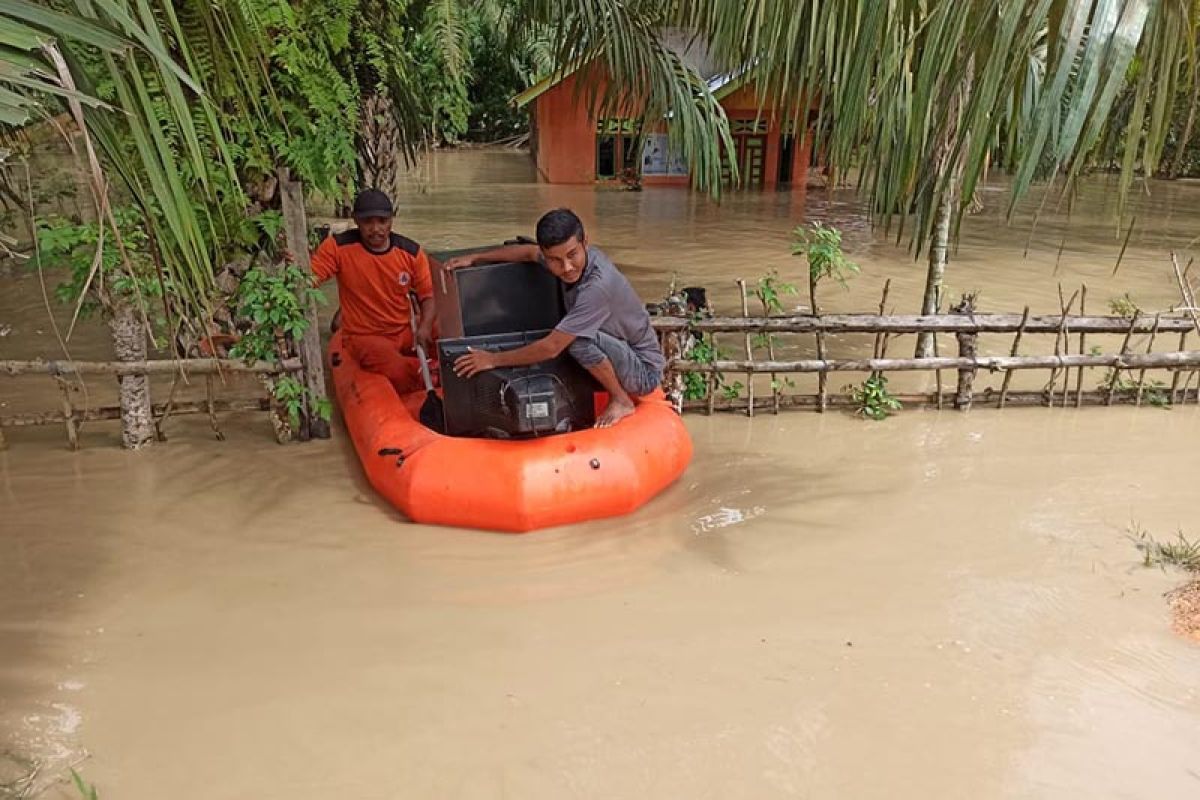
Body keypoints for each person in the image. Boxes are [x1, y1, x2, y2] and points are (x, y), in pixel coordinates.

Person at [443, 208, 665, 428]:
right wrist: (475, 258)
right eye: (555, 260)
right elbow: (527, 252)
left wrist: (491, 359)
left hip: (642, 370)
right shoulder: (559, 258)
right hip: (614, 346)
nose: (566, 267)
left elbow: (551, 347)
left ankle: (621, 399)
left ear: (585, 242)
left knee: (576, 341)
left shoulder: (597, 287)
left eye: (572, 255)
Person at [311, 189, 436, 390]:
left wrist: (426, 327)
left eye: (382, 221)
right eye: (368, 222)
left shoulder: (411, 252)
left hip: (404, 329)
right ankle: (427, 372)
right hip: (365, 336)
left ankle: (438, 371)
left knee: (447, 332)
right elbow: (309, 279)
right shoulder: (338, 248)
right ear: (356, 221)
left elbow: (428, 295)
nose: (376, 229)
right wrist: (294, 265)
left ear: (391, 220)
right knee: (397, 370)